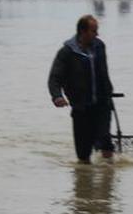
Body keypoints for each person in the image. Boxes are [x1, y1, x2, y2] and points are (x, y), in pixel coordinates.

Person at [49, 15, 116, 163]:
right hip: (80, 106)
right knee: (83, 155)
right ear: (82, 32)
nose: (97, 34)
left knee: (104, 139)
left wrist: (108, 92)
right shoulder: (66, 52)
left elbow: (103, 72)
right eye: (93, 31)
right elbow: (54, 77)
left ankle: (109, 176)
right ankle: (84, 183)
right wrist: (57, 96)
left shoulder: (99, 46)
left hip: (101, 104)